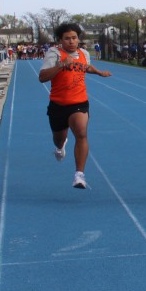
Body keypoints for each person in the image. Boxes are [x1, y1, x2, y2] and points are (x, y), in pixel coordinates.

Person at [38, 22, 112, 189]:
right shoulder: (54, 53)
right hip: (58, 104)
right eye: (67, 38)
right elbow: (42, 77)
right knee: (59, 139)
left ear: (78, 39)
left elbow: (85, 67)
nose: (71, 41)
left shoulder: (84, 53)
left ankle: (79, 175)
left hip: (79, 102)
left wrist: (99, 72)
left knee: (81, 133)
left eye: (74, 38)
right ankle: (60, 146)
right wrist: (60, 65)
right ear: (60, 40)